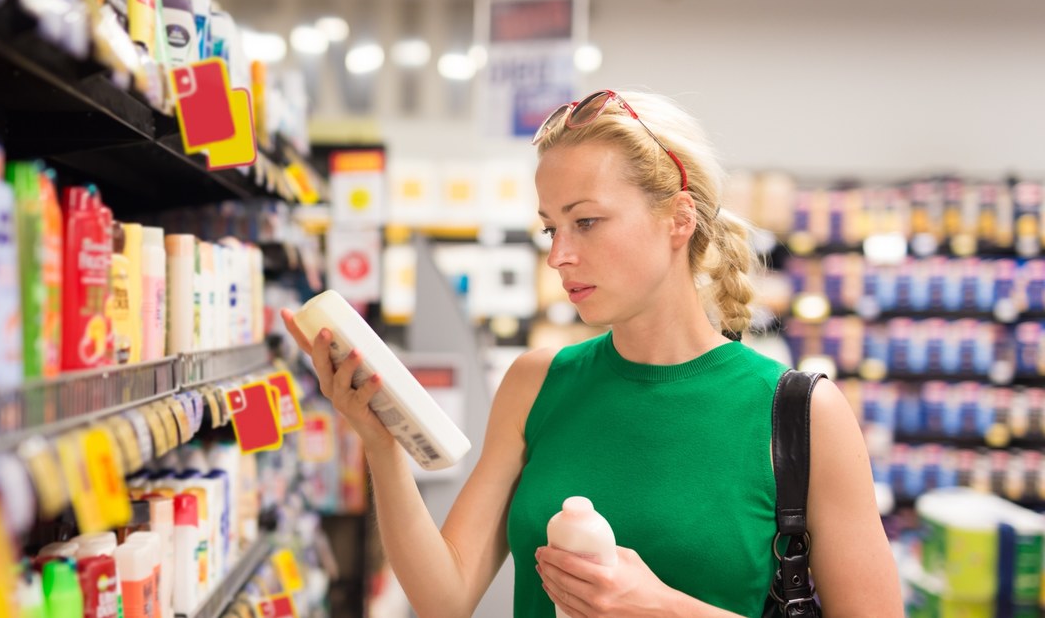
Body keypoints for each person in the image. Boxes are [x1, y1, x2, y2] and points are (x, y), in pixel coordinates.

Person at [281, 89, 903, 617]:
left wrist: (663, 607)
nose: (558, 257)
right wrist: (381, 443)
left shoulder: (801, 415)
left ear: (678, 219)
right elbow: (446, 596)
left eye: (587, 222)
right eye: (552, 227)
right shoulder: (537, 383)